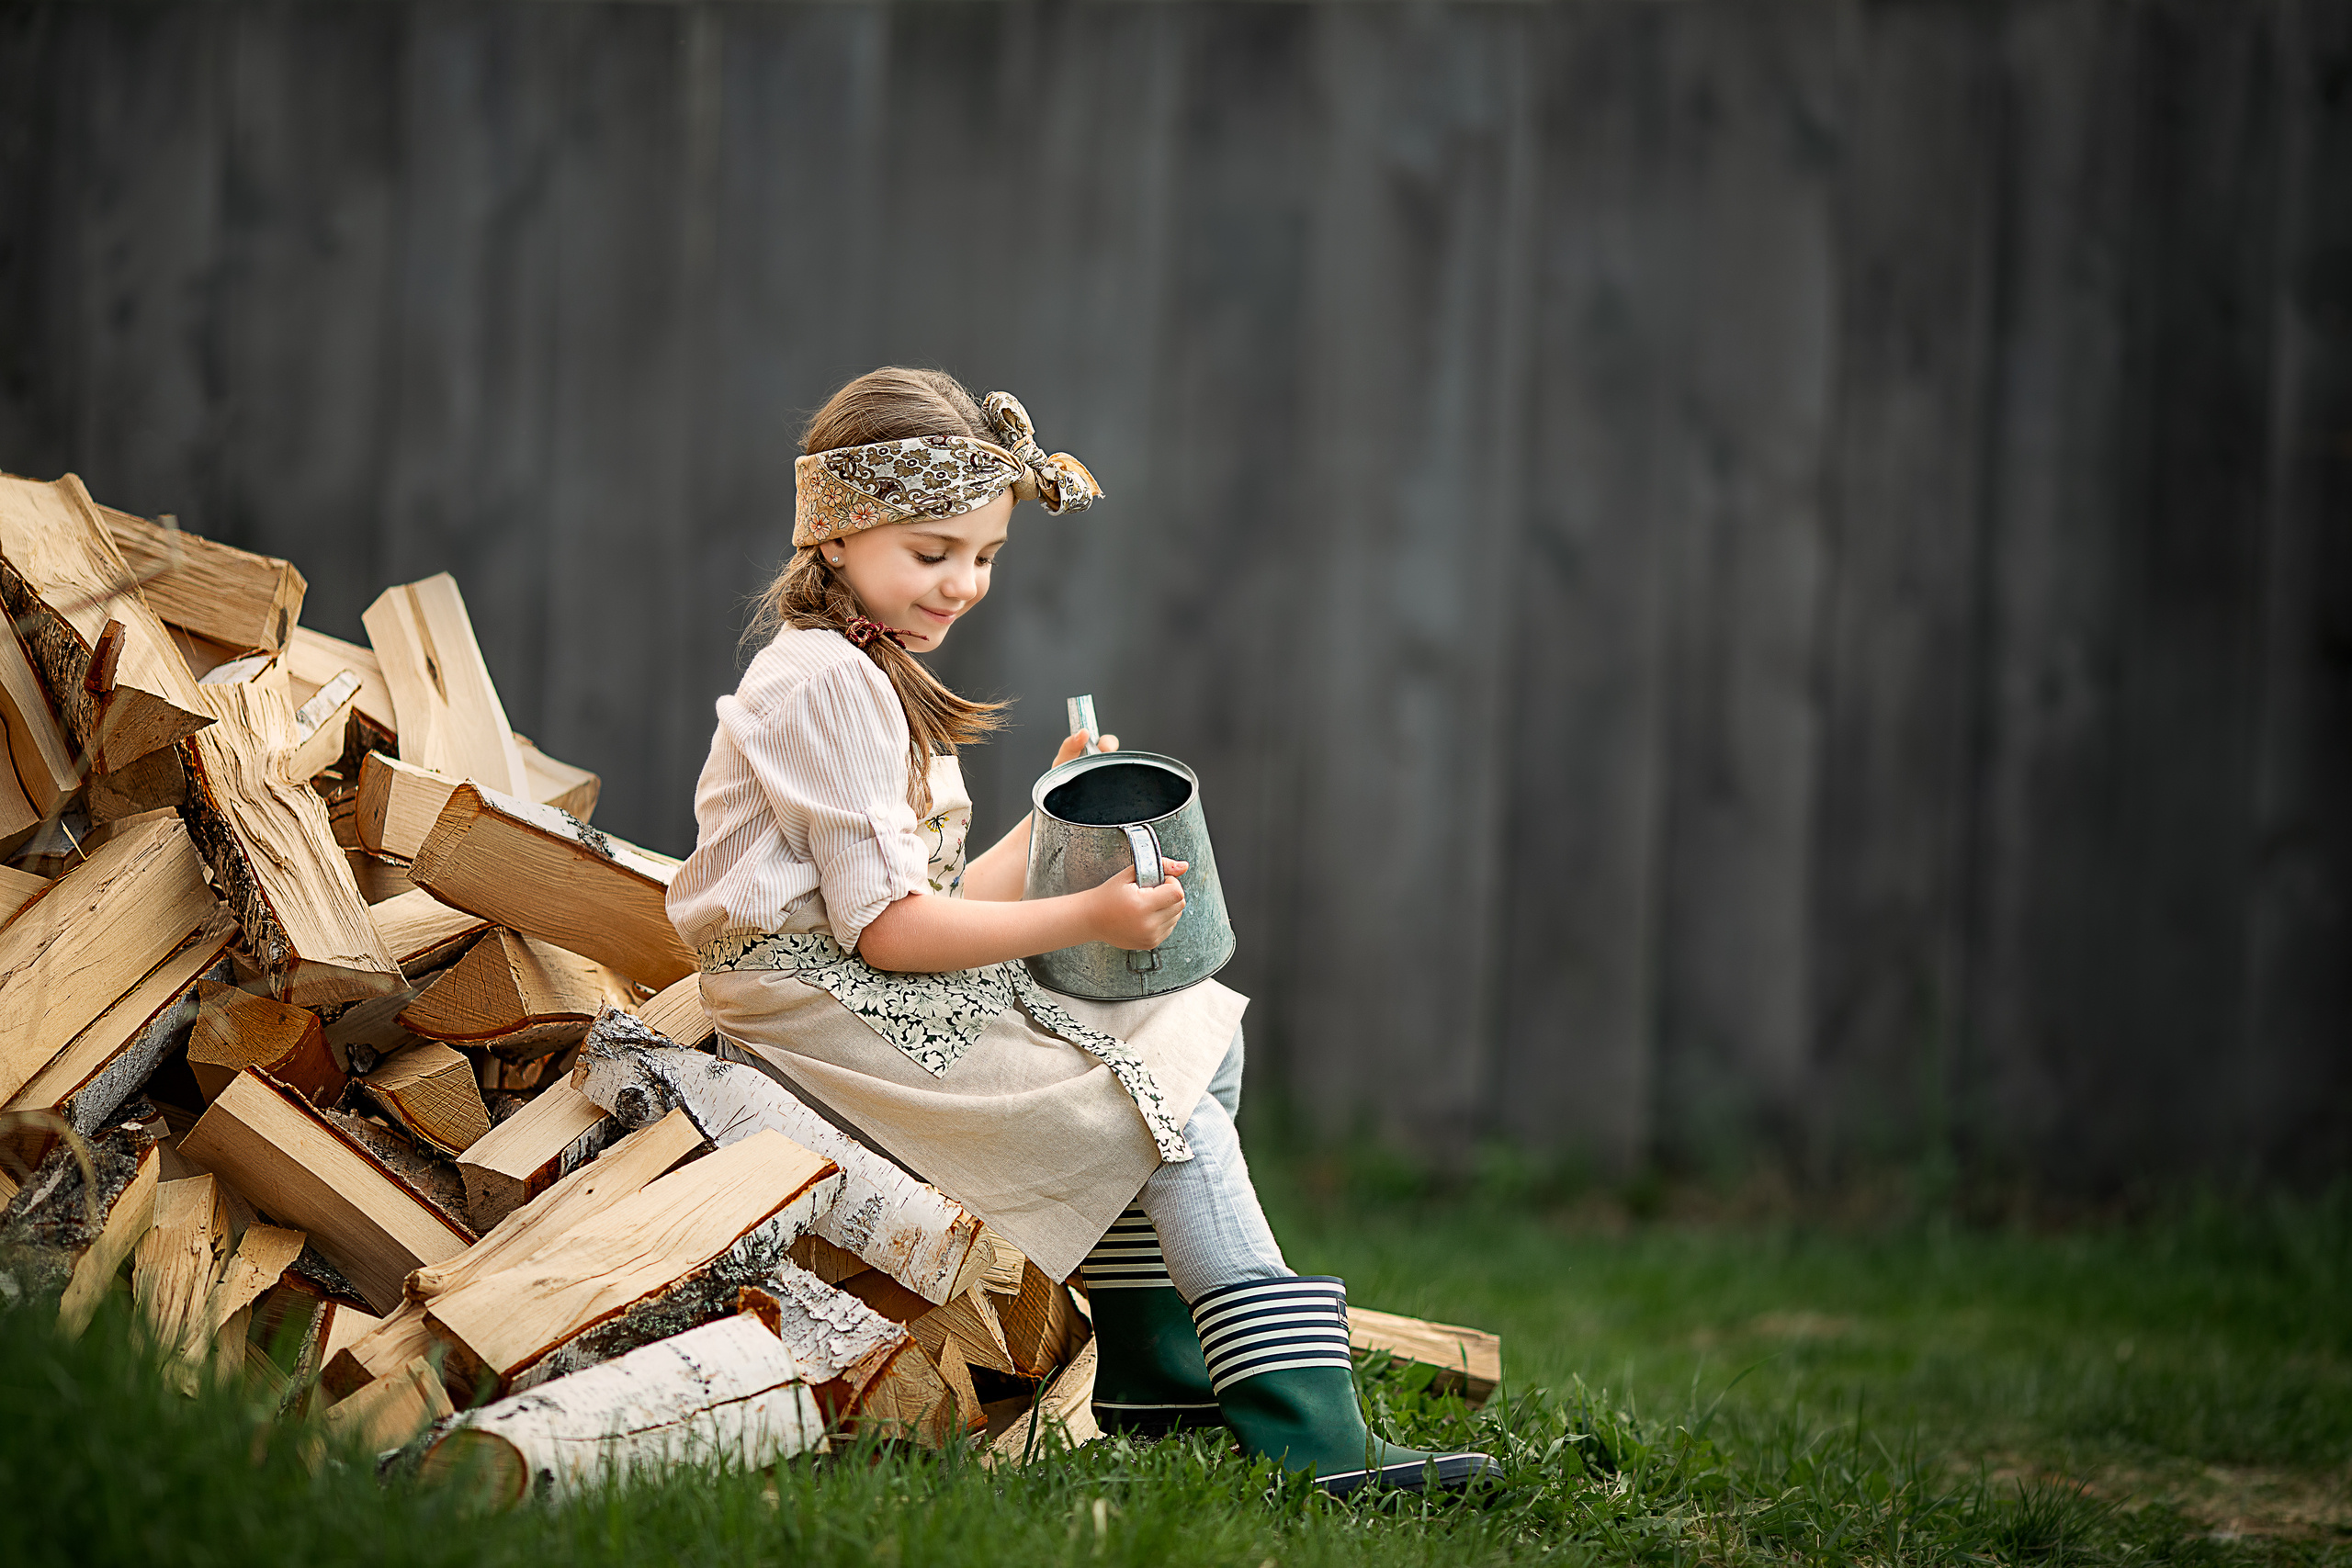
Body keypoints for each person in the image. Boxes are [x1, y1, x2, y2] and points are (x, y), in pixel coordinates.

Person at [666, 367, 1490, 1496]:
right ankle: (1313, 1441)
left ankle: (1156, 1363)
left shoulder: (869, 671)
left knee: (1193, 1021)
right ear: (841, 534)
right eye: (932, 552)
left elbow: (934, 891)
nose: (962, 582)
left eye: (986, 557)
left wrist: (1048, 823)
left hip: (854, 980)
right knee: (1159, 1111)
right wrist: (1095, 911)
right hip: (818, 1010)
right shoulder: (823, 683)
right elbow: (891, 934)